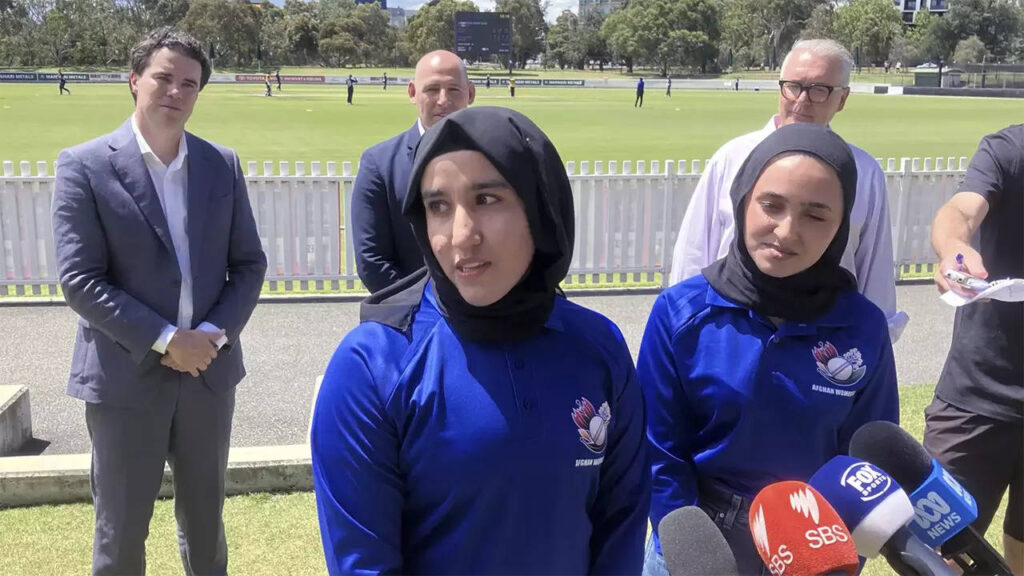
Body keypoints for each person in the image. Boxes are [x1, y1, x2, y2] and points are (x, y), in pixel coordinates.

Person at [311, 106, 650, 574]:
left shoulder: (598, 347)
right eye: (438, 207)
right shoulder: (373, 367)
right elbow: (363, 565)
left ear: (539, 209)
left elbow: (621, 528)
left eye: (487, 200)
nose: (460, 236)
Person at [50, 27, 267, 575]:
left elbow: (248, 266)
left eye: (189, 83)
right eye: (163, 77)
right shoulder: (85, 166)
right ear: (134, 80)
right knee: (120, 530)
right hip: (125, 378)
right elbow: (80, 279)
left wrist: (210, 339)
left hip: (208, 376)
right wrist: (169, 340)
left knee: (205, 525)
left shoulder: (223, 164)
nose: (176, 91)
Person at [639, 123, 899, 576]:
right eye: (771, 205)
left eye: (815, 215)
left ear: (842, 227)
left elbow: (868, 456)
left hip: (816, 540)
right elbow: (659, 451)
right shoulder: (681, 315)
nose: (786, 231)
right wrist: (683, 546)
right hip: (703, 538)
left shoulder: (862, 326)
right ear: (742, 202)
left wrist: (840, 552)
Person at [670, 39, 908, 343]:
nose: (802, 100)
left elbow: (874, 270)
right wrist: (684, 324)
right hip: (728, 333)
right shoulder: (732, 157)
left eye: (819, 89)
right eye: (793, 86)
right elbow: (694, 252)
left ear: (843, 99)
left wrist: (873, 343)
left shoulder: (864, 172)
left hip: (823, 341)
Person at [926, 123, 1024, 575]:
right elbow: (961, 209)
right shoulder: (1010, 148)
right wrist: (953, 248)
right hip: (976, 396)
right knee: (940, 552)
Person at [351, 50, 475, 293]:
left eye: (453, 90)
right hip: (411, 318)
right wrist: (424, 310)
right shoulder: (379, 164)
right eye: (432, 89)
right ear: (412, 92)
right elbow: (371, 260)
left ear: (470, 93)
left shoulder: (495, 158)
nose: (443, 100)